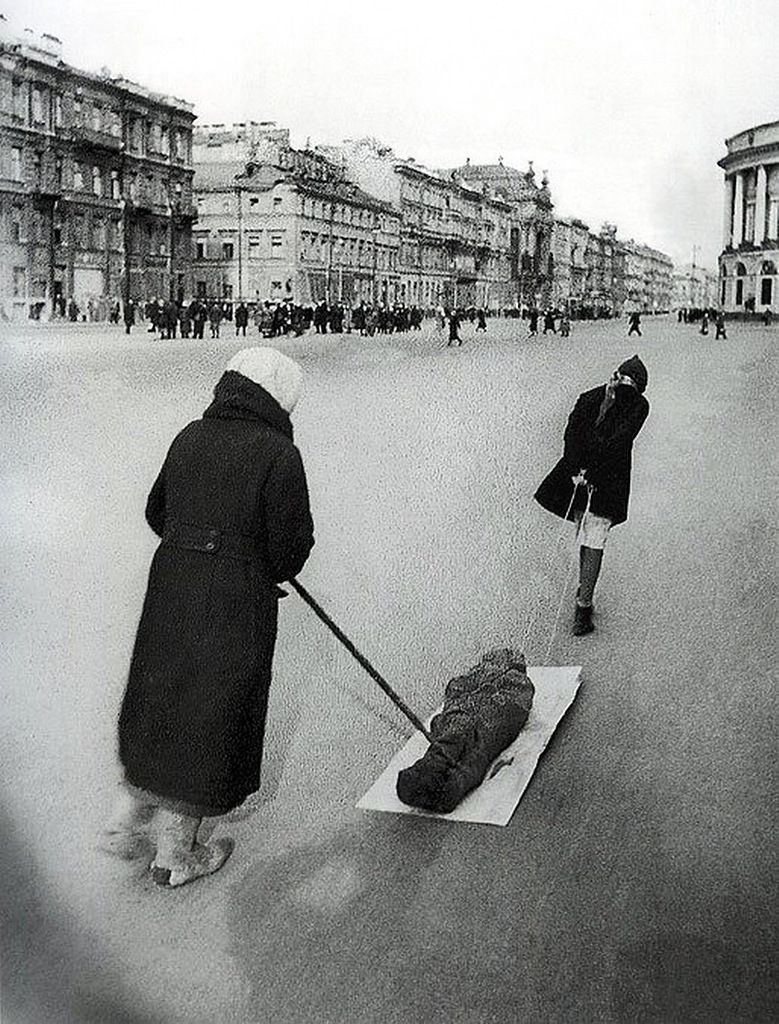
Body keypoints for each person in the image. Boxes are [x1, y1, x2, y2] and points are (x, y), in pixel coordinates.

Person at [99, 347, 315, 887]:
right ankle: (177, 853)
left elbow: (156, 511)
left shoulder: (190, 435)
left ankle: (126, 822)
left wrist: (191, 548)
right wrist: (247, 560)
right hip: (235, 598)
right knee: (210, 709)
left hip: (171, 585)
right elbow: (290, 551)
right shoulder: (278, 454)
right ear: (280, 401)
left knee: (161, 694)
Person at [534, 355, 650, 636]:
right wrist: (580, 469)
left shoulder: (609, 400)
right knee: (591, 539)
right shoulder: (628, 403)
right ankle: (583, 602)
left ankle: (583, 598)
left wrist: (580, 468)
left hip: (591, 480)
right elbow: (594, 439)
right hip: (599, 482)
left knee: (590, 538)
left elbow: (593, 438)